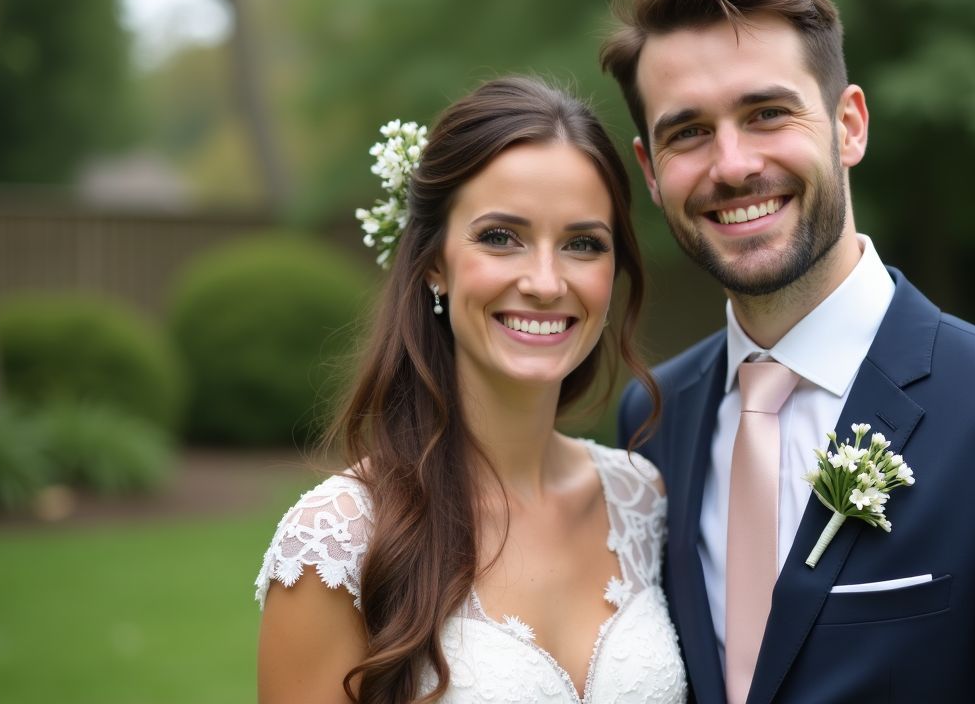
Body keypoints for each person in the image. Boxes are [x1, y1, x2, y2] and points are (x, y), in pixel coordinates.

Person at [605, 0, 975, 704]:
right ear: (649, 168)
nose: (731, 165)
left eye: (766, 113)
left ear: (849, 125)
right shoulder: (651, 418)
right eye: (688, 133)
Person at [255, 76, 688, 704]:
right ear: (434, 261)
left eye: (582, 244)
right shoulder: (336, 543)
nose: (544, 281)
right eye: (499, 237)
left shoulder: (643, 499)